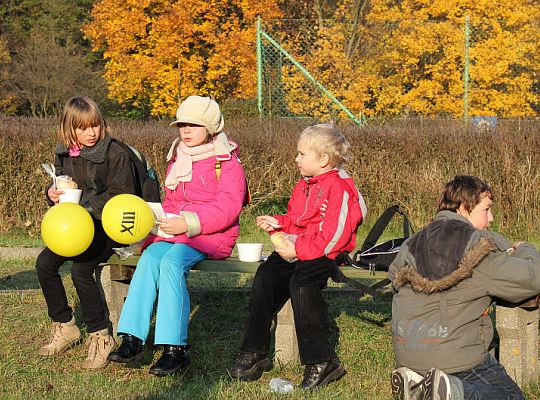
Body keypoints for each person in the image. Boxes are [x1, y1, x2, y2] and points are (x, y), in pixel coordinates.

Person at [108, 95, 248, 376]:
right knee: (149, 258)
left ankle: (175, 348)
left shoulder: (228, 163)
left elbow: (227, 210)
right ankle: (132, 338)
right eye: (181, 124)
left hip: (209, 234)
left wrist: (188, 223)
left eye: (193, 125)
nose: (185, 130)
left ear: (210, 128)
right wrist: (158, 221)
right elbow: (172, 201)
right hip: (176, 230)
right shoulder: (178, 156)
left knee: (172, 263)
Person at [230, 123, 367, 389]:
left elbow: (333, 237)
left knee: (301, 286)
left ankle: (323, 361)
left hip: (325, 254)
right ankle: (254, 351)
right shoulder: (304, 185)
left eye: (302, 154)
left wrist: (299, 249)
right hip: (298, 247)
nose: (296, 159)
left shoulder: (339, 188)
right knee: (265, 278)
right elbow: (297, 219)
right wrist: (279, 223)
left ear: (323, 159)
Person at [389, 175, 540, 400]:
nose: (491, 219)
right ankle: (454, 390)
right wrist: (525, 249)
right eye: (486, 210)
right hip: (458, 361)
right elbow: (532, 279)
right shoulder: (479, 248)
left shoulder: (412, 243)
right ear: (463, 208)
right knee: (511, 396)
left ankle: (417, 383)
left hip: (407, 353)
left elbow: (393, 283)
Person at [36, 96, 138, 368]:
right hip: (75, 228)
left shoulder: (115, 153)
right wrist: (52, 194)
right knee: (44, 263)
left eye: (95, 126)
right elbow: (59, 187)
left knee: (80, 270)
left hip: (110, 227)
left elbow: (122, 198)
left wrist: (84, 208)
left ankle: (100, 336)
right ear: (70, 128)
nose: (91, 133)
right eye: (82, 128)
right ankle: (65, 324)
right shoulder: (63, 153)